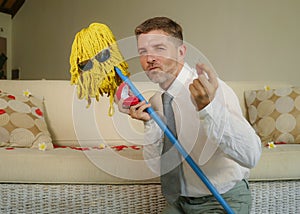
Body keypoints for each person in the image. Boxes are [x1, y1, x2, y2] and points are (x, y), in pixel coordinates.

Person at [117, 17, 262, 213]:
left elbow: (251, 155)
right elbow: (156, 167)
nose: (149, 58)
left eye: (159, 48)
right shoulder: (159, 101)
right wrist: (150, 124)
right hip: (179, 202)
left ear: (181, 52)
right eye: (143, 51)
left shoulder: (208, 89)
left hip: (220, 200)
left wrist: (208, 108)